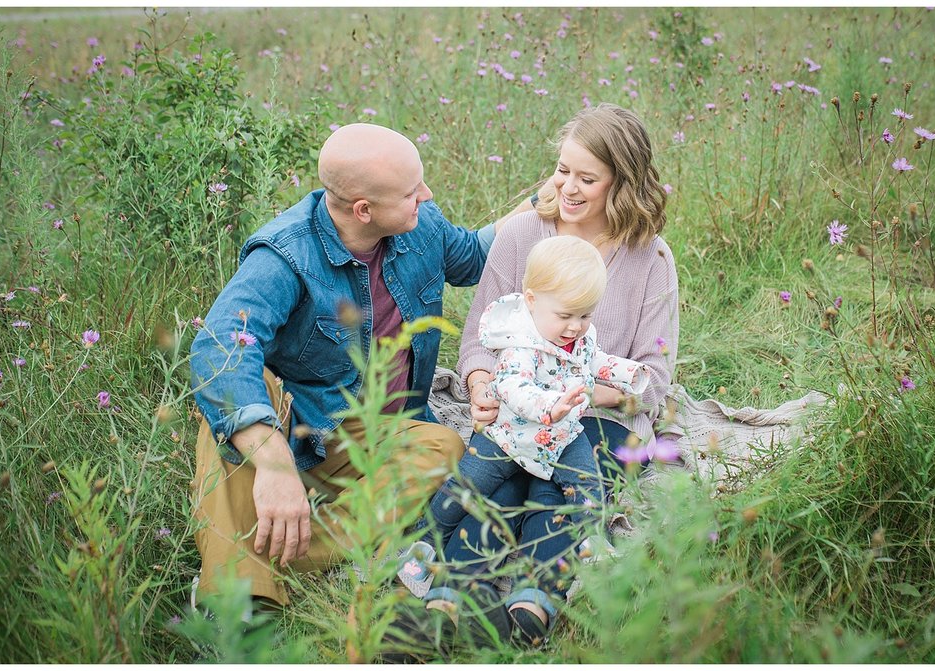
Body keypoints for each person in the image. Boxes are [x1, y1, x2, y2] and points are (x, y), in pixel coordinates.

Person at [390, 103, 679, 655]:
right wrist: (478, 387)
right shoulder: (523, 234)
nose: (567, 186)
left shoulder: (650, 259)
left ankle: (528, 606)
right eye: (563, 169)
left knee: (557, 487)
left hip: (597, 410)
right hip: (519, 398)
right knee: (501, 477)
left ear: (624, 184)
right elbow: (479, 336)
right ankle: (452, 601)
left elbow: (655, 375)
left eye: (587, 178)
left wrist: (580, 395)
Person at [188, 123, 505, 611]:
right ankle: (239, 599)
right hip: (299, 421)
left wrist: (555, 196)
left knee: (441, 444)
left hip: (375, 428)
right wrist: (273, 463)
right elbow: (219, 349)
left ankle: (267, 557)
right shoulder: (286, 254)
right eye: (411, 191)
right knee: (231, 407)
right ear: (364, 210)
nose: (427, 194)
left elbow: (476, 257)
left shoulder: (422, 225)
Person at [401, 236, 648, 585]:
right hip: (507, 436)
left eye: (585, 315)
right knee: (466, 489)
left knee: (586, 481)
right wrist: (551, 405)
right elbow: (512, 389)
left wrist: (627, 374)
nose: (575, 326)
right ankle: (423, 546)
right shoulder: (520, 347)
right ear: (532, 301)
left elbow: (595, 360)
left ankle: (591, 539)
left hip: (560, 436)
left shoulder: (579, 336)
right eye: (565, 316)